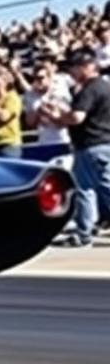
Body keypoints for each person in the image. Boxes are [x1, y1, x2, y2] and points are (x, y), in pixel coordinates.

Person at [49, 49, 110, 247]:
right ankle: (87, 230)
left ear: (85, 66)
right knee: (104, 186)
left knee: (85, 189)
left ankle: (84, 234)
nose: (71, 72)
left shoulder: (90, 89)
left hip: (90, 144)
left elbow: (77, 117)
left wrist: (58, 116)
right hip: (104, 142)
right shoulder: (105, 87)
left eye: (74, 67)